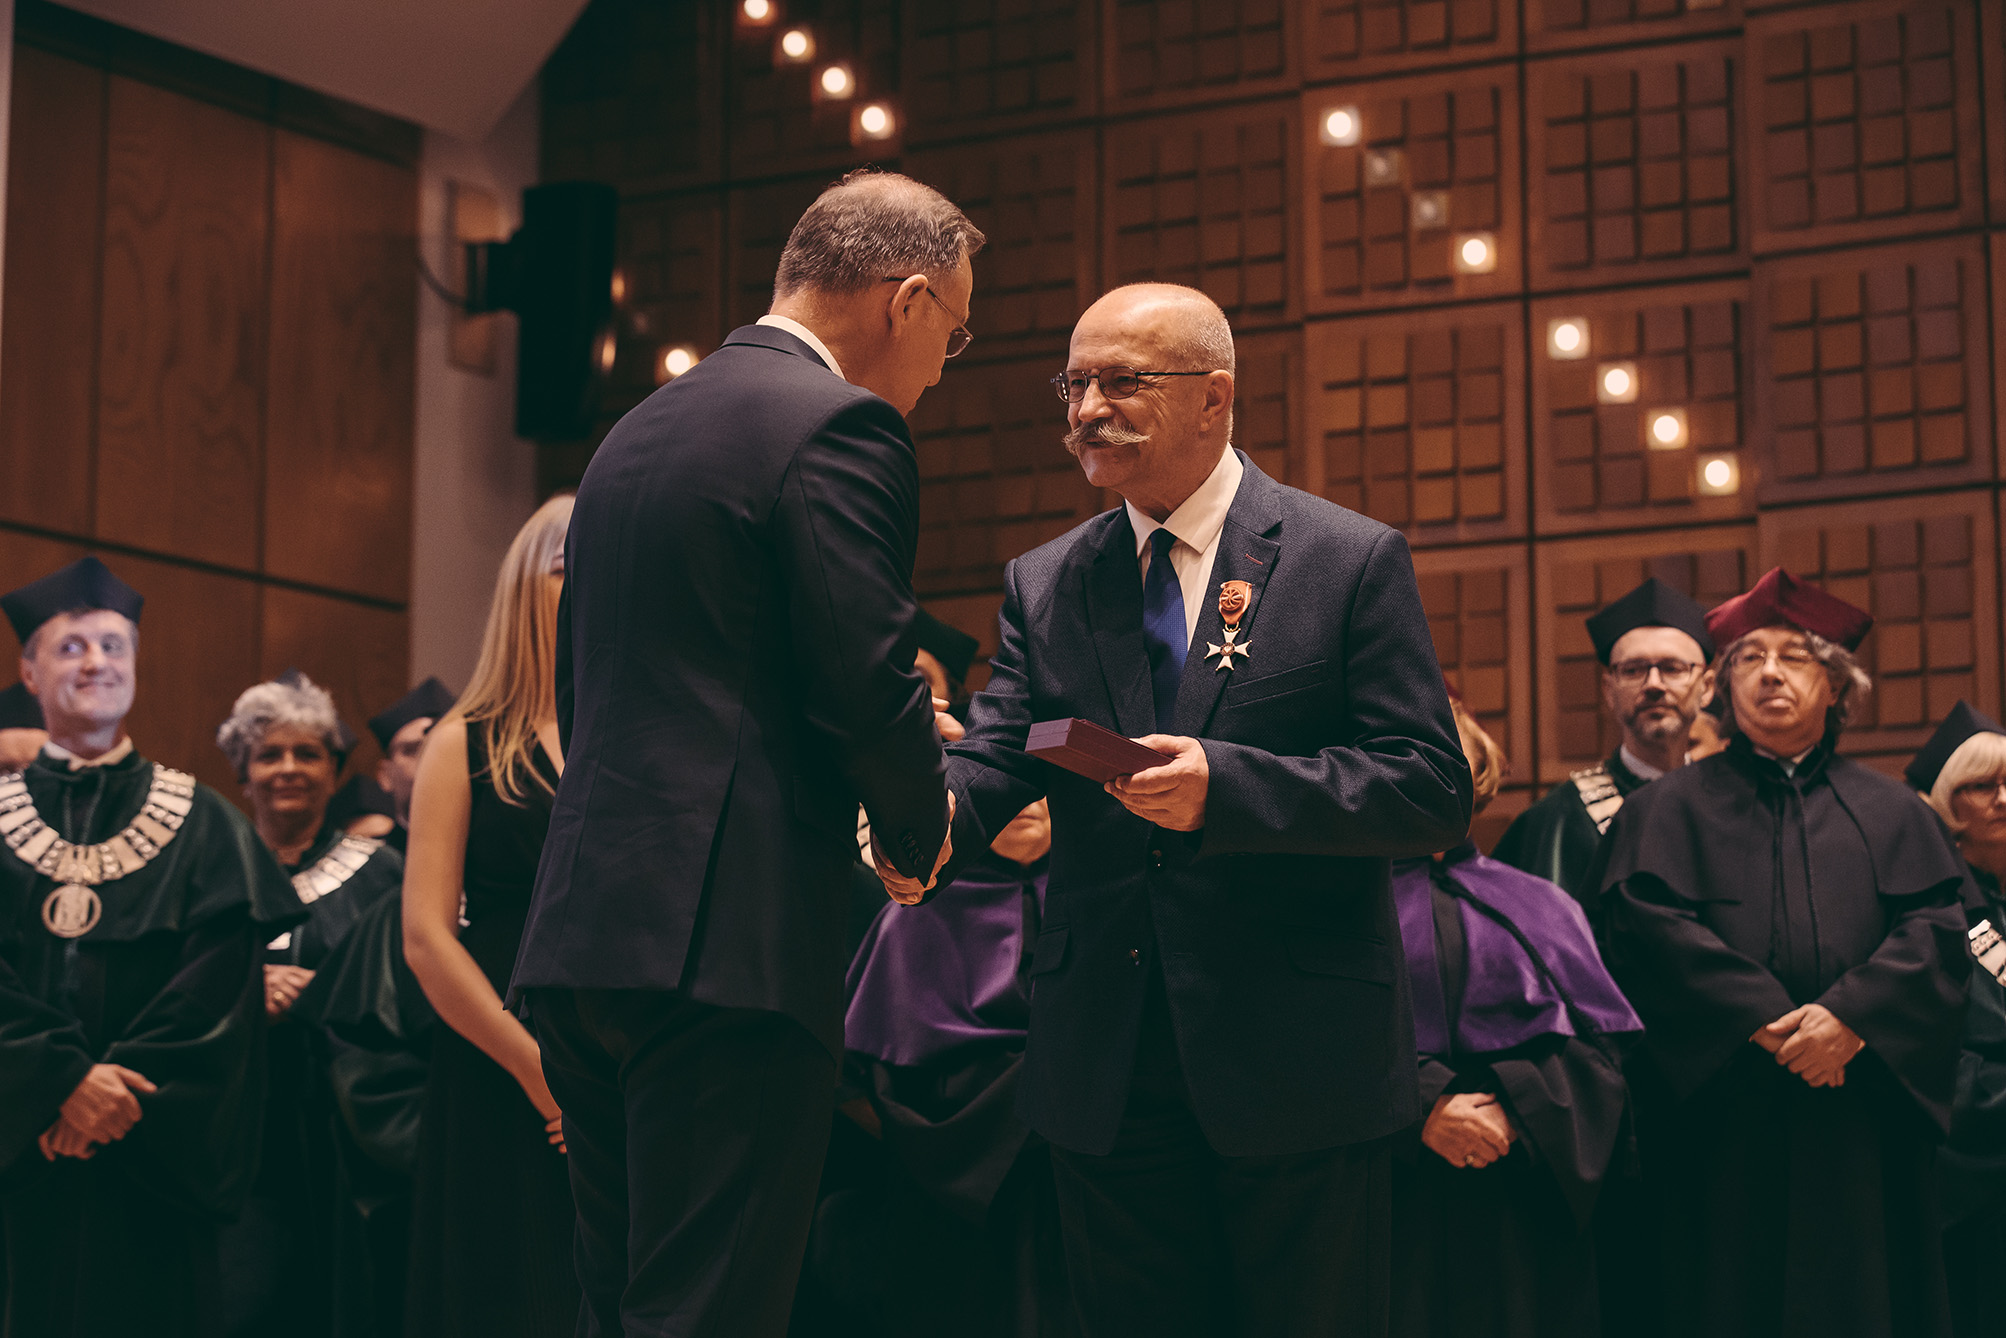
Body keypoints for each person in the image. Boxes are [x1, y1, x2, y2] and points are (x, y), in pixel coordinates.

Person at [890, 283, 1473, 1336]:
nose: (1085, 411)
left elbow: (1428, 786)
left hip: (1297, 1058)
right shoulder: (1046, 581)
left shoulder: (1344, 558)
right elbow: (1001, 755)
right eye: (1073, 385)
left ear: (1214, 396)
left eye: (1121, 382)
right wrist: (915, 818)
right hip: (1107, 1065)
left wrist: (1228, 787)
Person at [513, 170, 980, 1337]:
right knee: (711, 1312)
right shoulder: (839, 425)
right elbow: (865, 677)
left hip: (582, 933)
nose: (941, 370)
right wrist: (917, 832)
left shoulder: (633, 430)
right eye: (954, 333)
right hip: (727, 944)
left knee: (621, 1306)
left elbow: (645, 679)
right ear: (908, 301)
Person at [1595, 567, 1970, 1338]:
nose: (1769, 673)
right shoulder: (1662, 813)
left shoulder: (1895, 812)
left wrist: (1850, 1019)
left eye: (1793, 657)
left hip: (1859, 1121)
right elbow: (1643, 931)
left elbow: (1935, 932)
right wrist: (1763, 1019)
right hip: (1719, 1124)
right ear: (1722, 687)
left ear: (1835, 687)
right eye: (1749, 659)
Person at [0, 556, 302, 1338]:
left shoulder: (206, 824)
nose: (95, 662)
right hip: (16, 1158)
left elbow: (217, 993)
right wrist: (57, 1080)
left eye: (114, 645)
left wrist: (109, 1099)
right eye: (70, 647)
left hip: (151, 1166)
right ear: (28, 672)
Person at [1390, 693, 1640, 1338]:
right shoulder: (1329, 913)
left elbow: (1600, 1060)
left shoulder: (1542, 905)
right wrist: (1423, 1107)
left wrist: (1520, 1108)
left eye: (1454, 764)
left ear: (1480, 777)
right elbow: (1303, 1047)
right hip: (1386, 1202)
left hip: (1523, 1199)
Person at [402, 496, 579, 1338]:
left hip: (610, 1057)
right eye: (569, 565)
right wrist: (537, 1070)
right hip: (497, 1057)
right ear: (524, 586)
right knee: (509, 1290)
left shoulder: (636, 737)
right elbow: (426, 938)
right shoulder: (463, 741)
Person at [800, 798, 1070, 1338]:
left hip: (1070, 1187)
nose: (1024, 803)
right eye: (1009, 786)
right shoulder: (916, 912)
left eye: (1039, 787)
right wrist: (929, 1143)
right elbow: (850, 1076)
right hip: (937, 1196)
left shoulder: (1093, 903)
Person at [212, 672, 405, 1338]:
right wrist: (246, 994)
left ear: (335, 770)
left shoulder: (383, 874)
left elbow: (404, 1001)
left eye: (308, 753)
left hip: (349, 1137)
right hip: (239, 1132)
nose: (289, 768)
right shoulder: (209, 870)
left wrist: (317, 997)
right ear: (243, 773)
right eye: (269, 755)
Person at [1492, 578, 1714, 901]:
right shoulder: (1560, 819)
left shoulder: (1734, 804)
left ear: (1707, 687)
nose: (1653, 684)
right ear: (1609, 691)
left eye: (1673, 668)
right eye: (1633, 670)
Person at [1909, 703, 2006, 1338]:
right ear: (1947, 807)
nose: (2003, 798)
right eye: (1981, 785)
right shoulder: (1937, 911)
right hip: (1977, 1177)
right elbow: (1934, 1048)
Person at [355, 678, 455, 853]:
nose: (429, 760)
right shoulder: (373, 862)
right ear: (385, 775)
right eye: (412, 750)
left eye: (443, 748)